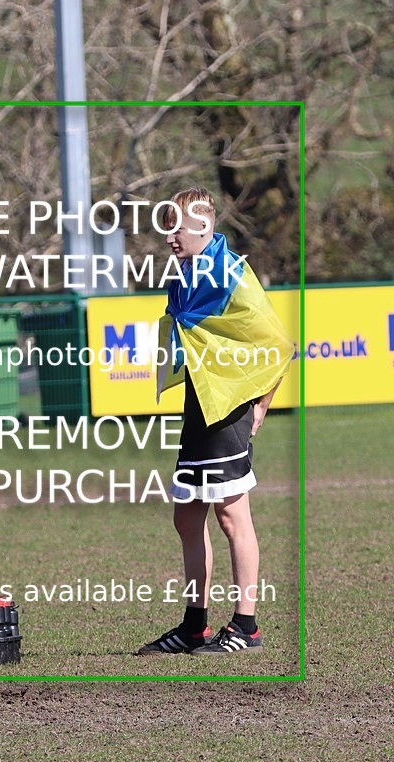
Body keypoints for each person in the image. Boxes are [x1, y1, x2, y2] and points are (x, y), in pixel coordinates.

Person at [138, 187, 293, 656]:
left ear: (202, 226)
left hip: (227, 409)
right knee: (187, 516)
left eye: (177, 226)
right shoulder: (188, 275)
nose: (169, 237)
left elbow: (276, 342)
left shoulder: (229, 273)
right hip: (200, 404)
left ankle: (246, 626)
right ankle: (194, 626)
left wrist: (262, 404)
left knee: (231, 514)